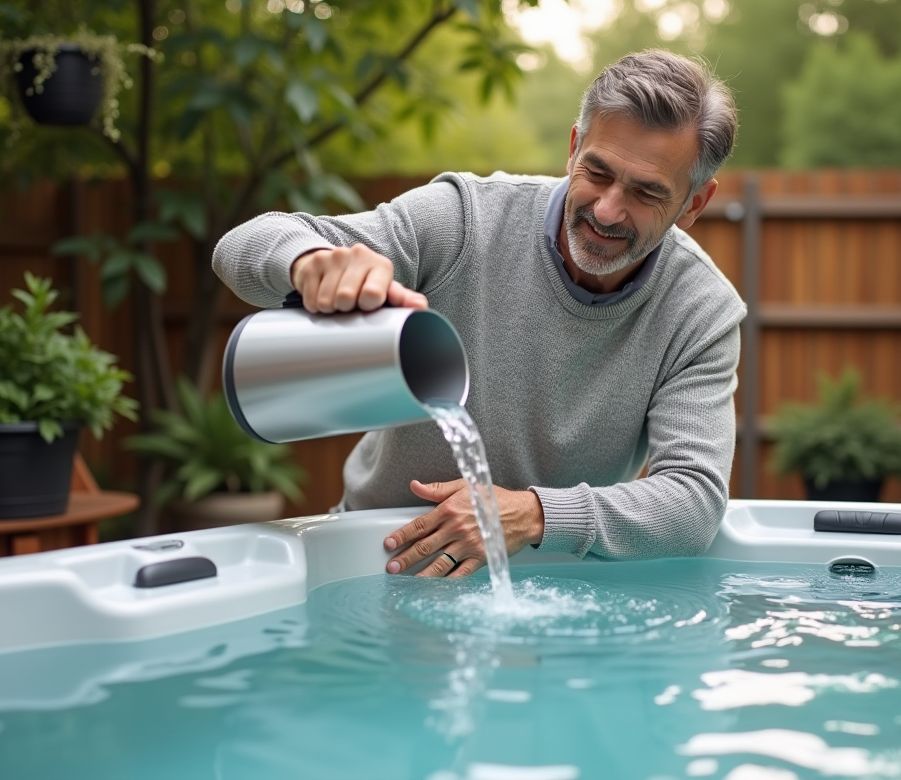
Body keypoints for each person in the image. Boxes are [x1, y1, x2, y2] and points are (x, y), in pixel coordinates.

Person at [213, 49, 746, 578]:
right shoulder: (464, 219)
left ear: (694, 204)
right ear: (574, 147)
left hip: (558, 580)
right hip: (378, 561)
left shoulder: (701, 310)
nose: (607, 209)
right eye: (598, 172)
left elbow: (694, 501)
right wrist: (311, 263)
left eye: (646, 192)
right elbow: (244, 243)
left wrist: (531, 514)